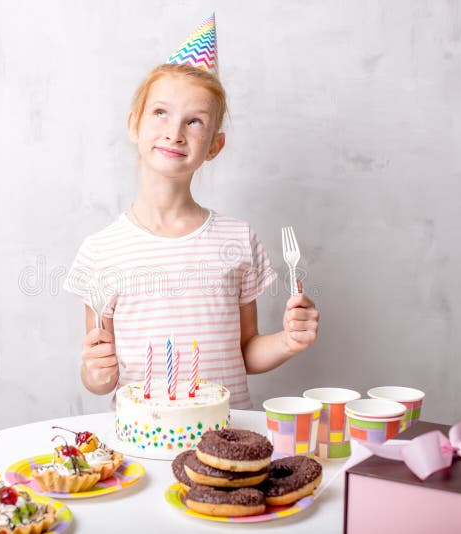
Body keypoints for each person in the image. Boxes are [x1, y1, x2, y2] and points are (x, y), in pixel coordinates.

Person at [63, 15, 318, 408]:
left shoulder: (237, 239)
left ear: (214, 146)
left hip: (226, 444)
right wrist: (94, 373)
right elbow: (101, 376)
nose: (174, 132)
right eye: (160, 113)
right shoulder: (101, 251)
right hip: (143, 443)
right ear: (135, 125)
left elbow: (245, 351)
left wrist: (288, 341)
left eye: (194, 121)